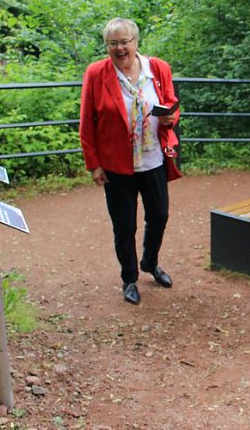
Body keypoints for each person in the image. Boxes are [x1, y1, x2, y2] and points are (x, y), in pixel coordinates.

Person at [79, 17, 182, 306]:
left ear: (136, 42)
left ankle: (150, 261)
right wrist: (94, 163)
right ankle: (130, 278)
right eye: (113, 43)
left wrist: (170, 118)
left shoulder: (157, 69)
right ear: (107, 46)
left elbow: (172, 103)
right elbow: (87, 121)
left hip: (154, 159)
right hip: (116, 166)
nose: (120, 48)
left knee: (159, 215)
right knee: (124, 226)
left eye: (125, 42)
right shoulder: (97, 73)